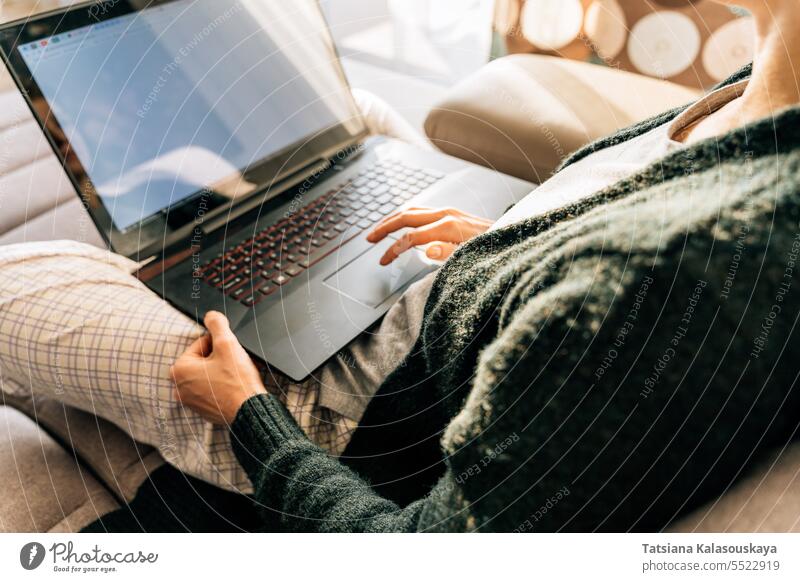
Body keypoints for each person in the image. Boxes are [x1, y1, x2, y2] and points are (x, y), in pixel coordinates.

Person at [1, 0, 798, 532]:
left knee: (18, 278)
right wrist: (518, 251)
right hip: (458, 300)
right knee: (355, 132)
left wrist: (247, 415)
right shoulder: (768, 85)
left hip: (345, 417)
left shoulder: (683, 274)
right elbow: (618, 239)